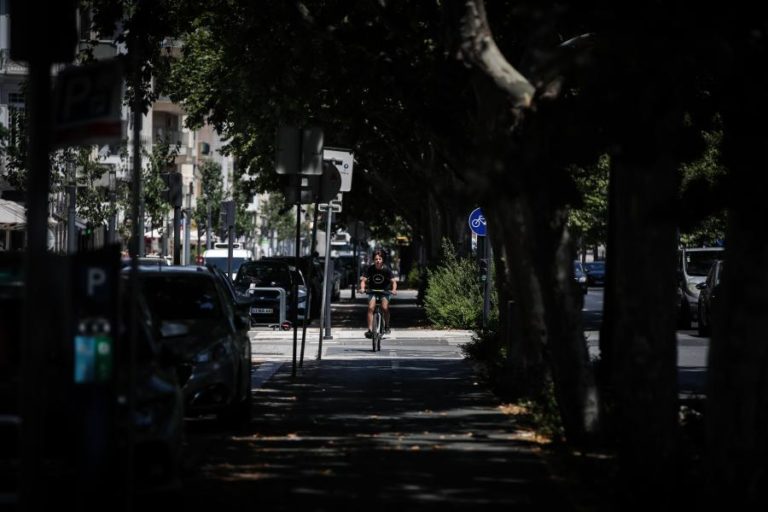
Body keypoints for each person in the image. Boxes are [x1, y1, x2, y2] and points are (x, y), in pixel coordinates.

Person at [359, 249, 397, 337]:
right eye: (376, 259)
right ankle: (370, 330)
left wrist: (394, 290)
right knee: (370, 308)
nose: (378, 261)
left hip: (384, 291)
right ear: (373, 260)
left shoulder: (387, 270)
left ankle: (387, 326)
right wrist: (362, 288)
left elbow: (394, 282)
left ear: (383, 260)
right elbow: (363, 281)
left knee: (384, 308)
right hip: (372, 290)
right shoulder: (370, 269)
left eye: (380, 259)